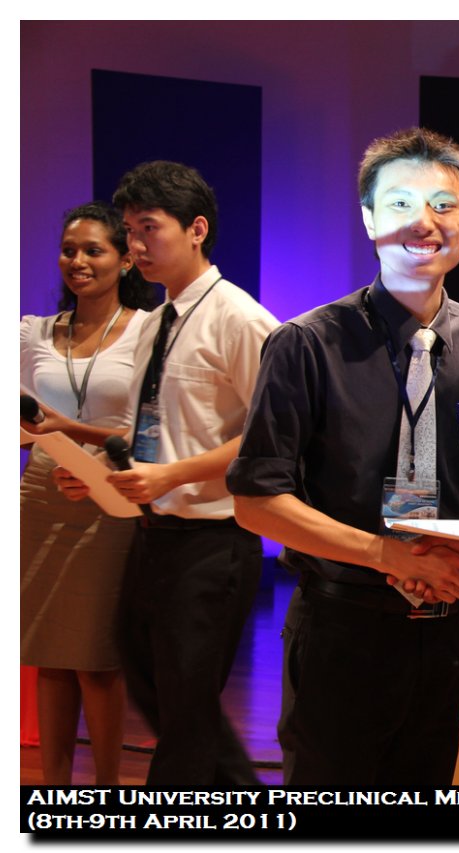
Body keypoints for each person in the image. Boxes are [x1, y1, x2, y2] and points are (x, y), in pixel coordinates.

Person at [227, 127, 459, 786]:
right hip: (342, 625)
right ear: (370, 220)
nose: (424, 221)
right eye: (400, 204)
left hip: (444, 630)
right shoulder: (305, 344)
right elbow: (257, 502)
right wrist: (388, 555)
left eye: (444, 205)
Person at [53, 161, 279, 785]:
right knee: (153, 682)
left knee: (185, 711)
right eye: (130, 231)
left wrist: (174, 475)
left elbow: (271, 436)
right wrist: (98, 471)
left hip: (215, 539)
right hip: (153, 533)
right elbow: (145, 431)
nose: (136, 245)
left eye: (149, 228)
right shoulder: (156, 320)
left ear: (196, 230)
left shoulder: (240, 318)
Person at [20, 202, 155, 784]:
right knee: (48, 653)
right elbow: (24, 418)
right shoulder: (32, 332)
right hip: (41, 492)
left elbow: (150, 428)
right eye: (68, 250)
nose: (77, 260)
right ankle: (52, 790)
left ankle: (106, 789)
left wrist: (75, 434)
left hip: (109, 493)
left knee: (97, 657)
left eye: (93, 250)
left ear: (125, 260)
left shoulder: (148, 329)